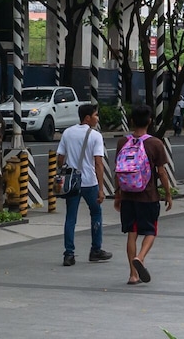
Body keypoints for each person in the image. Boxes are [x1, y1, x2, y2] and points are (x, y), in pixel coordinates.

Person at [114, 108, 174, 285]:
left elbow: (117, 170)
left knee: (131, 234)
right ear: (149, 121)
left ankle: (133, 275)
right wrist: (168, 194)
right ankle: (140, 257)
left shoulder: (122, 142)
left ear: (131, 120)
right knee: (150, 231)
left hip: (127, 196)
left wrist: (117, 195)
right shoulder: (155, 143)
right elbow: (161, 172)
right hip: (148, 197)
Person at [58, 105, 111, 267]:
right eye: (96, 115)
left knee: (70, 218)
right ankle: (95, 250)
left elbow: (60, 158)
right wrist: (101, 189)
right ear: (87, 118)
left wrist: (66, 168)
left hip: (73, 182)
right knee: (96, 213)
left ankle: (69, 254)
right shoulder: (95, 136)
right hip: (90, 183)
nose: (97, 118)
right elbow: (99, 164)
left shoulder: (67, 133)